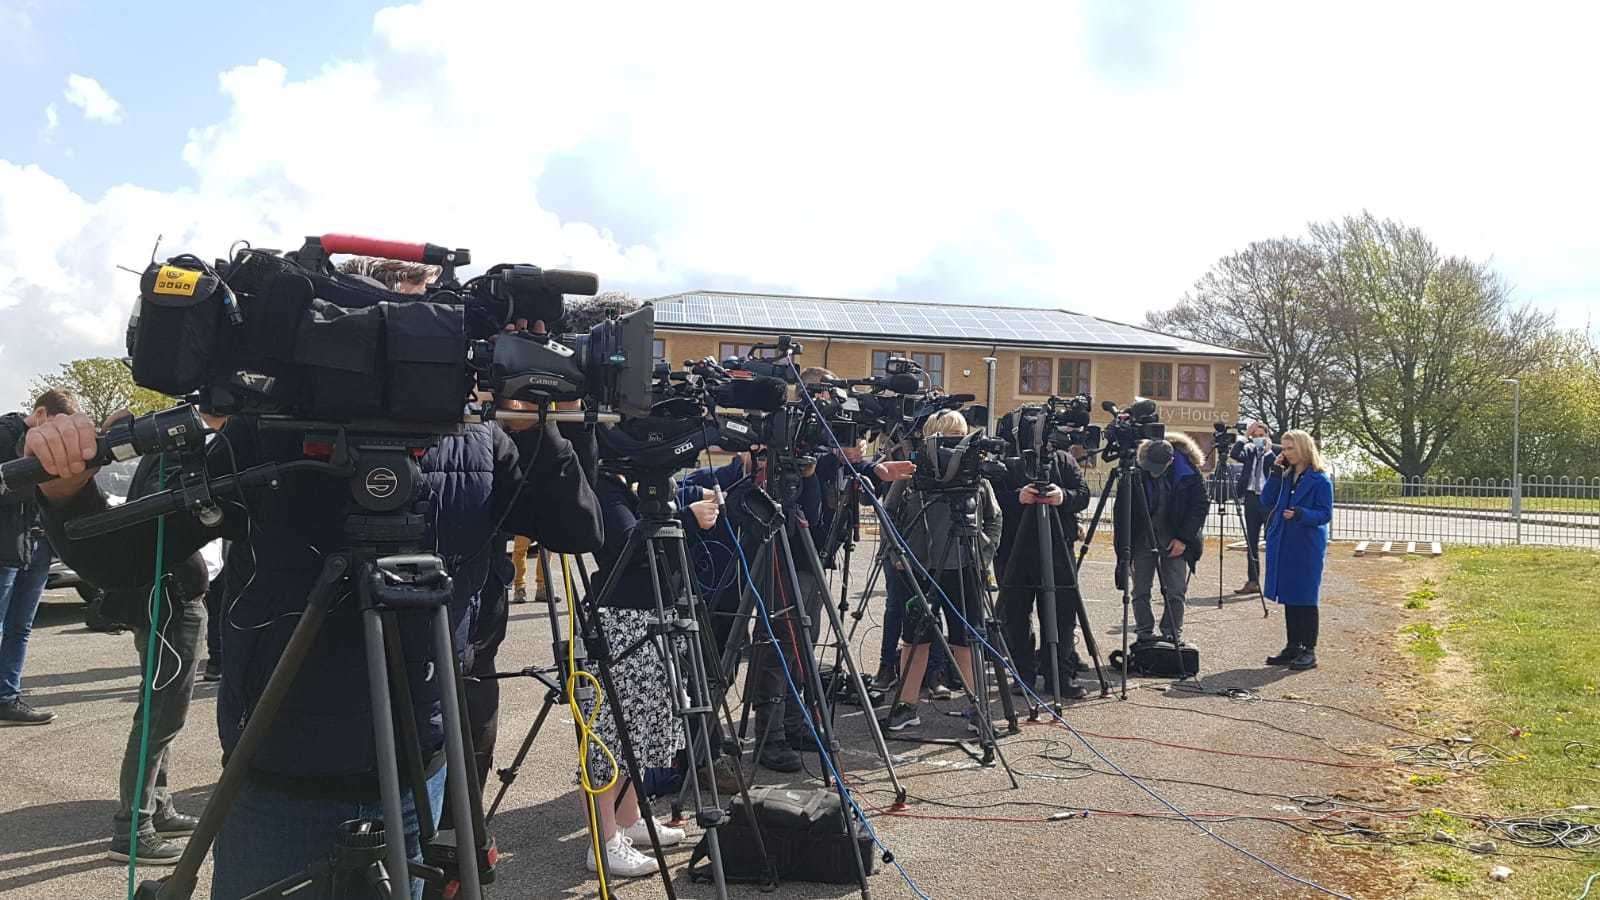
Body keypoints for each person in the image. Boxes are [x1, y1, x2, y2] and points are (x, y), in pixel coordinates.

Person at [28, 265, 603, 898]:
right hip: (280, 775)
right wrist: (68, 493)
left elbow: (576, 528)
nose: (399, 341)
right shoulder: (267, 436)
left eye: (423, 320)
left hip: (423, 770)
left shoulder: (482, 441)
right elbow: (125, 562)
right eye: (378, 319)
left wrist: (538, 424)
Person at [570, 469, 721, 876]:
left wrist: (694, 496)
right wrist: (686, 518)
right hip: (619, 624)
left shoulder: (629, 481)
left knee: (647, 724)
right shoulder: (602, 484)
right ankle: (603, 843)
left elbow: (657, 501)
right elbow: (626, 546)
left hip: (653, 616)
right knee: (612, 733)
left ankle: (628, 818)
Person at [97, 428, 213, 864]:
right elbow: (167, 523)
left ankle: (156, 806)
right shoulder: (176, 458)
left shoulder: (162, 456)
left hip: (168, 599)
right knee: (160, 715)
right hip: (170, 602)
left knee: (163, 713)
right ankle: (134, 826)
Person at [877, 410, 1002, 734]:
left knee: (968, 638)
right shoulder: (911, 476)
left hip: (963, 567)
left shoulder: (975, 475)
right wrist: (896, 553)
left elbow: (994, 518)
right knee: (914, 639)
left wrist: (982, 555)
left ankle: (978, 709)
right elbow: (888, 515)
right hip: (918, 568)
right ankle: (906, 707)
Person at [993, 428, 1092, 700]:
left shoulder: (1063, 460)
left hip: (1058, 547)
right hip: (1013, 549)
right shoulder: (1006, 460)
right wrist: (1018, 497)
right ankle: (1022, 675)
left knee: (1061, 615)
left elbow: (1082, 493)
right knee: (1015, 617)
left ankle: (1058, 676)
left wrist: (1063, 497)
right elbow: (991, 498)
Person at [0, 388, 79, 725]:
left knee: (21, 626)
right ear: (42, 413)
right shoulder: (4, 434)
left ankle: (6, 698)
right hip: (5, 544)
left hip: (37, 544)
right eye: (56, 425)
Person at [1121, 433, 1207, 646]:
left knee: (1176, 590)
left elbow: (1199, 506)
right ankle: (1144, 632)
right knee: (1140, 589)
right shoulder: (1136, 469)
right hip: (1143, 538)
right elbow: (1122, 511)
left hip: (1175, 537)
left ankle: (1171, 632)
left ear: (1171, 461)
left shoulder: (1188, 472)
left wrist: (1183, 538)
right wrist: (1125, 548)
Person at [1261, 430, 1333, 671]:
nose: (1286, 453)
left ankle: (1309, 649)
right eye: (1284, 448)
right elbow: (1267, 500)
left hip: (1306, 544)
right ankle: (1293, 645)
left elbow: (1325, 514)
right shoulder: (1285, 476)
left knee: (1306, 596)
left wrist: (1302, 514)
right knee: (1290, 595)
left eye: (1290, 448)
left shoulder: (1320, 479)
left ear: (1303, 449)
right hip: (1283, 539)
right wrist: (1274, 472)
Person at [1230, 421, 1275, 595]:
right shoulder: (1248, 451)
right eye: (1255, 436)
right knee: (1251, 542)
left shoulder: (1275, 452)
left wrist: (1268, 451)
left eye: (1261, 436)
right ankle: (1253, 581)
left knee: (1271, 541)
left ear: (1267, 436)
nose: (1258, 439)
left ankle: (1272, 581)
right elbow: (1235, 453)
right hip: (1250, 498)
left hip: (1268, 499)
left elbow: (1279, 467)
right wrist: (1245, 436)